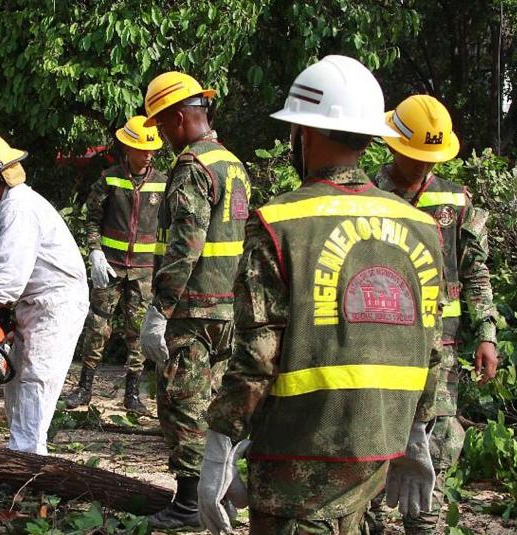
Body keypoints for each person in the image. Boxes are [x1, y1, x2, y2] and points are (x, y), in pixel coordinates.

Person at [199, 55, 445, 535]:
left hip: (298, 455)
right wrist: (418, 431)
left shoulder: (280, 223)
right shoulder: (421, 226)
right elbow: (429, 346)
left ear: (304, 133)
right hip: (379, 448)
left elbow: (257, 356)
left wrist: (219, 442)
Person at [369, 94, 499, 533]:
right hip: (377, 347)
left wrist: (486, 333)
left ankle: (423, 526)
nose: (423, 166)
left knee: (434, 445)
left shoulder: (455, 200)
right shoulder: (367, 196)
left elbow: (475, 271)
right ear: (392, 145)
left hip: (440, 350)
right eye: (414, 156)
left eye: (430, 158)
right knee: (374, 440)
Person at [137, 71, 252, 529]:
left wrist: (159, 309)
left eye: (163, 125)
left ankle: (188, 503)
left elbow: (186, 245)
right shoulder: (233, 164)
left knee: (182, 403)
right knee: (215, 402)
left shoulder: (192, 166)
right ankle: (220, 491)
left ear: (181, 118)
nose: (163, 136)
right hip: (228, 308)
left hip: (194, 308)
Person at [0, 130, 89, 455]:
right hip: (30, 301)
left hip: (55, 303)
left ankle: (31, 461)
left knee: (37, 377)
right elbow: (12, 275)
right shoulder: (1, 207)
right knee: (15, 378)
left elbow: (8, 275)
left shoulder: (19, 208)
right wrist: (0, 318)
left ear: (1, 174)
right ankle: (19, 453)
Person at [63, 115, 167, 414]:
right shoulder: (109, 178)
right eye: (142, 149)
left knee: (138, 332)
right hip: (110, 267)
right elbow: (92, 220)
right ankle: (84, 388)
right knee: (98, 327)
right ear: (128, 148)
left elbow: (169, 228)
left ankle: (132, 394)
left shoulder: (163, 183)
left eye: (151, 150)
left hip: (145, 270)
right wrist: (94, 252)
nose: (148, 155)